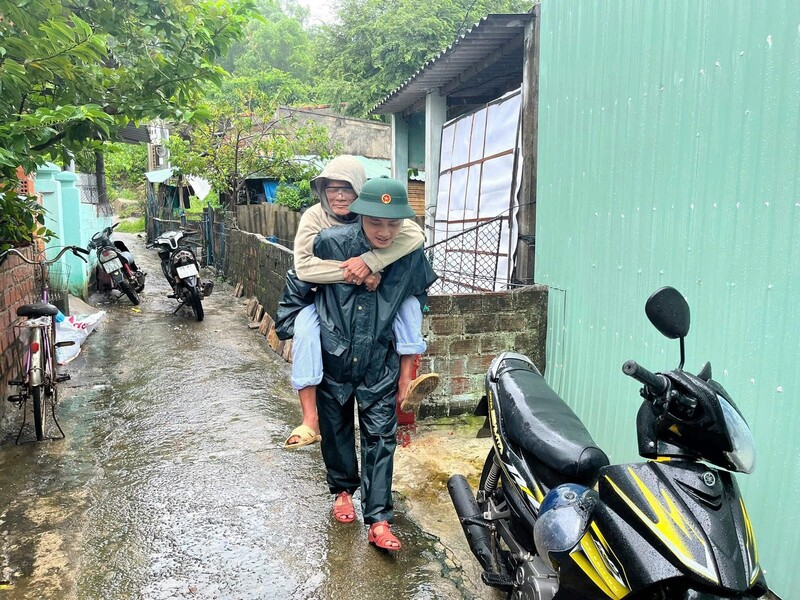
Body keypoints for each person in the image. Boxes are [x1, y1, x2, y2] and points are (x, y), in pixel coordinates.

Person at [282, 176, 437, 551]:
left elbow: (417, 298)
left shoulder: (409, 254)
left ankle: (379, 519)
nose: (384, 232)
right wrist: (301, 326)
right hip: (334, 357)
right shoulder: (330, 243)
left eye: (393, 223)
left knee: (381, 439)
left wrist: (405, 367)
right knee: (335, 433)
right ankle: (342, 493)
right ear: (360, 216)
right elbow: (297, 286)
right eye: (375, 222)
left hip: (378, 360)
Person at [283, 156, 438, 449]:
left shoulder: (373, 214)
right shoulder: (314, 218)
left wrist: (371, 261)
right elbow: (304, 267)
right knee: (305, 330)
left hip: (375, 300)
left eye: (347, 189)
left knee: (409, 308)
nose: (340, 196)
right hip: (326, 298)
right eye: (332, 189)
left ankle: (406, 383)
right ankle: (310, 419)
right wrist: (354, 272)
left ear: (360, 191)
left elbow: (415, 235)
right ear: (322, 191)